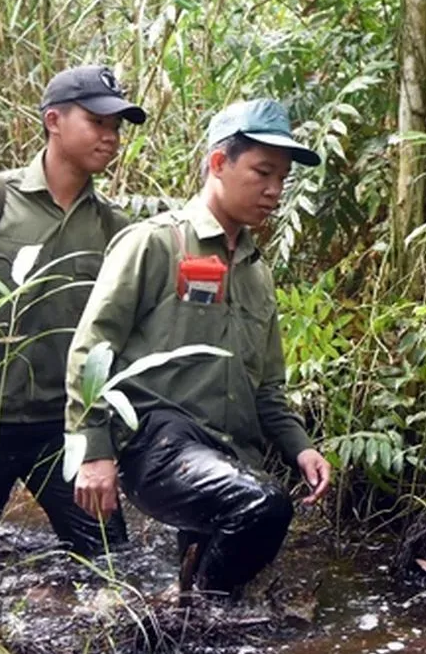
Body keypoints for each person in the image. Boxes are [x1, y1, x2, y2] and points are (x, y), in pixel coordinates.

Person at [65, 98, 333, 602]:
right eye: (262, 172)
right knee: (263, 507)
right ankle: (187, 611)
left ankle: (184, 617)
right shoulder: (154, 244)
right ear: (217, 164)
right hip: (157, 443)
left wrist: (301, 447)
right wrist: (94, 453)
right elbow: (91, 348)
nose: (275, 191)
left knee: (218, 592)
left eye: (282, 178)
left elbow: (268, 388)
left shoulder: (257, 274)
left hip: (229, 452)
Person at [0, 65, 145, 555]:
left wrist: (101, 435)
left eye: (116, 127)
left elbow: (116, 338)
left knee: (111, 562)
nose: (110, 137)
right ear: (53, 120)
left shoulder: (113, 225)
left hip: (61, 428)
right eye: (97, 122)